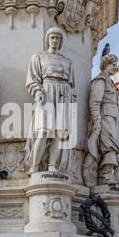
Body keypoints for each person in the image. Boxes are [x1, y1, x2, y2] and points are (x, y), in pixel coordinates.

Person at [25, 27, 76, 175]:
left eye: (57, 38)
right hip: (46, 92)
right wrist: (38, 92)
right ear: (47, 39)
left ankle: (52, 164)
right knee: (44, 131)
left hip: (63, 94)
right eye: (52, 37)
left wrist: (71, 100)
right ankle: (35, 164)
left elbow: (73, 85)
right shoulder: (39, 57)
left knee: (59, 132)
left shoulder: (68, 62)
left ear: (60, 41)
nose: (54, 40)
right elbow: (32, 79)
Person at [84, 50, 119, 186]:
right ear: (105, 65)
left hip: (114, 118)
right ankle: (105, 173)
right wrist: (96, 120)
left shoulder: (111, 83)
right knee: (109, 146)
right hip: (105, 117)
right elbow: (95, 102)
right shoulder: (100, 81)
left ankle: (106, 173)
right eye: (113, 64)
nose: (115, 67)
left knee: (113, 146)